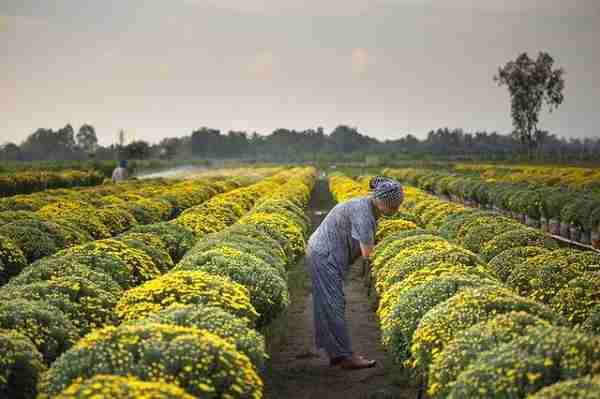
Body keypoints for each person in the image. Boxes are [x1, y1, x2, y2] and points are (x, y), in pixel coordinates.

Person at [306, 175, 403, 370]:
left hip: (325, 252)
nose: (396, 211)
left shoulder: (366, 205)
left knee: (328, 303)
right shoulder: (363, 213)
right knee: (333, 303)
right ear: (382, 201)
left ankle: (336, 353)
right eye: (393, 207)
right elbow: (368, 253)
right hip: (325, 255)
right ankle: (345, 357)